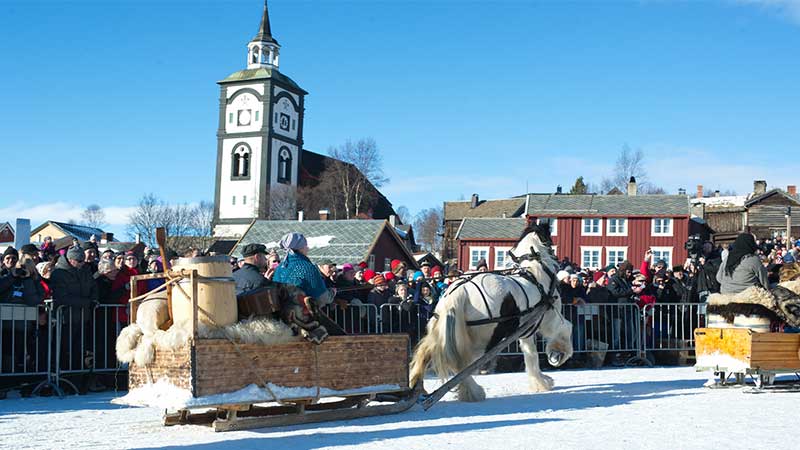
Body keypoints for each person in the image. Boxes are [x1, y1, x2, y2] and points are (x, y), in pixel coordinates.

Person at [273, 233, 335, 305]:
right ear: (301, 248)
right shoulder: (308, 268)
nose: (307, 248)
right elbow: (321, 297)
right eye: (305, 245)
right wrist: (332, 293)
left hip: (281, 313)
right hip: (300, 313)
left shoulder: (280, 268)